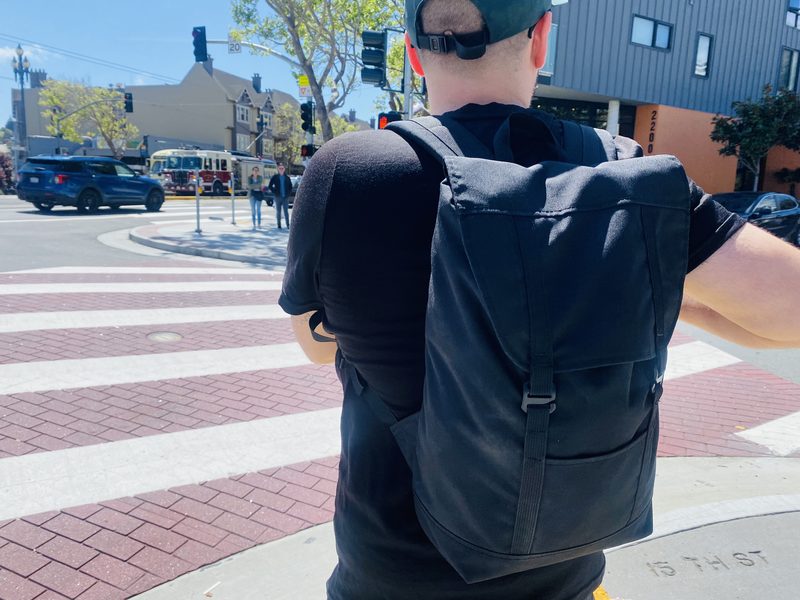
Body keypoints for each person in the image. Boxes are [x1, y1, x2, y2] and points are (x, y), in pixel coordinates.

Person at [279, 1, 800, 598]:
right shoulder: (621, 173)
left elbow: (316, 348)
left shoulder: (347, 172)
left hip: (396, 572)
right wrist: (622, 272)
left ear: (413, 52)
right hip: (565, 572)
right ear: (541, 39)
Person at [268, 163, 293, 229]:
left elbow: (290, 187)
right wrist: (274, 192)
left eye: (282, 168)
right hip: (278, 197)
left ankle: (288, 225)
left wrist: (288, 194)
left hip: (285, 197)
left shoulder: (287, 178)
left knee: (286, 211)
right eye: (280, 168)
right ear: (278, 169)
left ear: (284, 169)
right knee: (278, 211)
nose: (281, 169)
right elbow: (270, 186)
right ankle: (279, 225)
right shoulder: (275, 177)